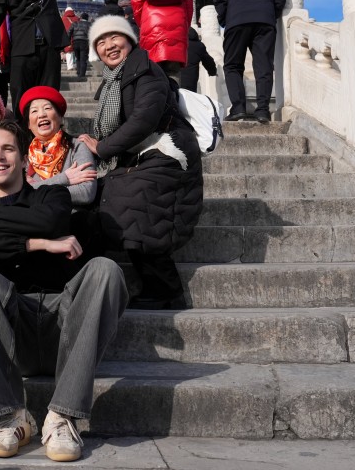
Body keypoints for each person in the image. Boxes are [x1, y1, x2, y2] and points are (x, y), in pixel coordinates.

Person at [0, 119, 128, 462]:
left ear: (24, 159)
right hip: (9, 334)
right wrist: (37, 244)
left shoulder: (50, 195)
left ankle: (63, 416)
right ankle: (9, 416)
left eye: (8, 149)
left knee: (105, 270)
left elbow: (49, 221)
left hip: (63, 330)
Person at [77, 17, 204, 309]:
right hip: (141, 154)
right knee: (103, 199)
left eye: (114, 37)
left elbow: (144, 119)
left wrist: (103, 148)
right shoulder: (115, 79)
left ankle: (166, 289)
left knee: (131, 200)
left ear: (129, 40)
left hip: (169, 152)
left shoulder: (146, 71)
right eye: (101, 42)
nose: (109, 46)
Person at [213, 0, 286, 123]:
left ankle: (238, 108)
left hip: (236, 21)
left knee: (232, 65)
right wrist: (271, 15)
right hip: (264, 22)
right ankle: (263, 110)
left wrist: (225, 19)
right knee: (264, 66)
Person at [20, 86, 97, 207]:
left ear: (60, 118)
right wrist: (64, 179)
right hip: (34, 216)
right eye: (34, 111)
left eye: (47, 108)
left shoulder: (78, 147)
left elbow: (86, 193)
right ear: (29, 124)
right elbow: (18, 193)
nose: (41, 114)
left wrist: (35, 191)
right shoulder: (24, 155)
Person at [177, 27, 218, 92]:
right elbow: (208, 61)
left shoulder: (177, 44)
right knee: (190, 97)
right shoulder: (199, 46)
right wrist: (212, 72)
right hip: (190, 82)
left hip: (176, 78)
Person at [68, 13, 91, 77]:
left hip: (75, 42)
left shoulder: (75, 23)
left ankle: (78, 73)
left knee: (78, 58)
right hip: (84, 42)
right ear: (87, 18)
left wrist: (68, 42)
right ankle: (82, 74)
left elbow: (69, 32)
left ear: (80, 17)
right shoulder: (89, 24)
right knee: (83, 59)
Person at [61, 7, 79, 71]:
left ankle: (70, 66)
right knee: (77, 52)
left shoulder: (63, 19)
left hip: (67, 37)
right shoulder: (77, 18)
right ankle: (77, 65)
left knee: (69, 52)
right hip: (76, 36)